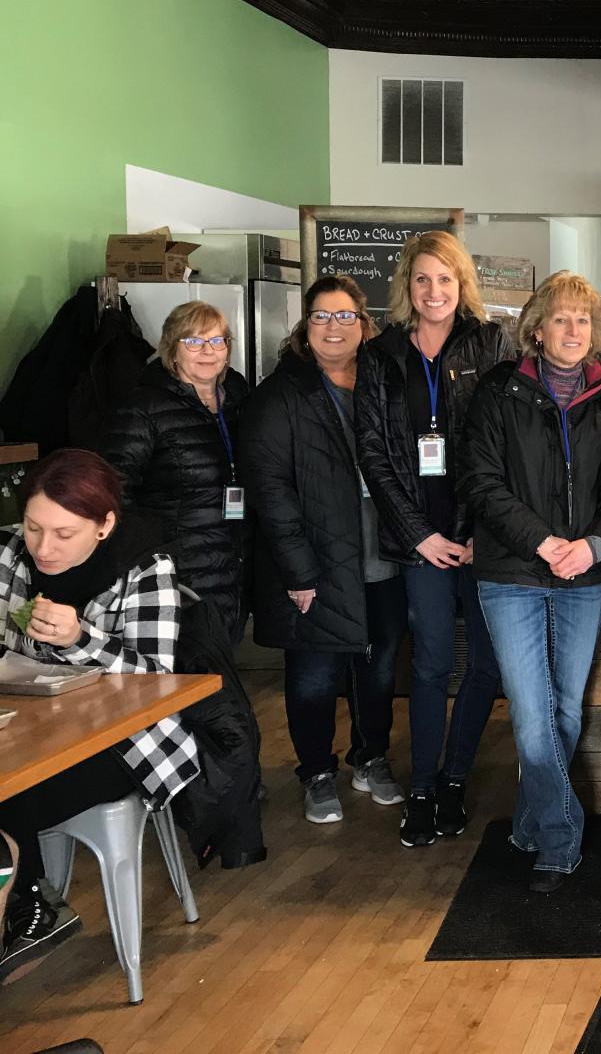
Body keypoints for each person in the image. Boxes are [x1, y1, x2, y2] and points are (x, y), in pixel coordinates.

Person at [0, 449, 201, 984]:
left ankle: (31, 907)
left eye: (64, 534)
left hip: (127, 741)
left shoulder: (145, 566)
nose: (43, 547)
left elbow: (157, 677)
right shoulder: (10, 555)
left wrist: (79, 639)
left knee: (11, 791)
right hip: (33, 723)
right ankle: (33, 903)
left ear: (105, 524)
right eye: (33, 527)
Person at [459, 272, 601, 893]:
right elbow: (481, 480)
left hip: (584, 574)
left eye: (583, 320)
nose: (573, 330)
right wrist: (542, 541)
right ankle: (560, 839)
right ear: (536, 328)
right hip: (511, 574)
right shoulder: (499, 392)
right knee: (531, 715)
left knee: (567, 712)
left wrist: (592, 545)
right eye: (560, 318)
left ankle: (530, 820)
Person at [356, 230, 515, 847]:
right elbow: (373, 452)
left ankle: (454, 777)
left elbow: (499, 443)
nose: (433, 291)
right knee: (427, 664)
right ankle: (421, 785)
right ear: (406, 285)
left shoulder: (490, 343)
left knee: (486, 661)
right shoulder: (381, 353)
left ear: (461, 283)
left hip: (479, 534)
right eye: (422, 279)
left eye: (445, 279)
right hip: (418, 538)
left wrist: (477, 530)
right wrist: (418, 534)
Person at [239, 276, 407, 826]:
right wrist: (298, 570)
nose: (333, 327)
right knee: (313, 674)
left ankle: (371, 756)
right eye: (320, 316)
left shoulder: (383, 380)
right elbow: (269, 489)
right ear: (304, 326)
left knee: (378, 666)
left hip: (379, 549)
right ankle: (315, 770)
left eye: (344, 316)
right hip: (312, 558)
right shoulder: (280, 393)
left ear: (364, 323)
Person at [100, 300, 251, 643]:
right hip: (178, 567)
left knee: (222, 661)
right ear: (172, 348)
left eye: (217, 341)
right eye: (193, 341)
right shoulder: (143, 407)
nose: (207, 351)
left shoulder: (238, 397)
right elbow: (113, 489)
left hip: (235, 558)